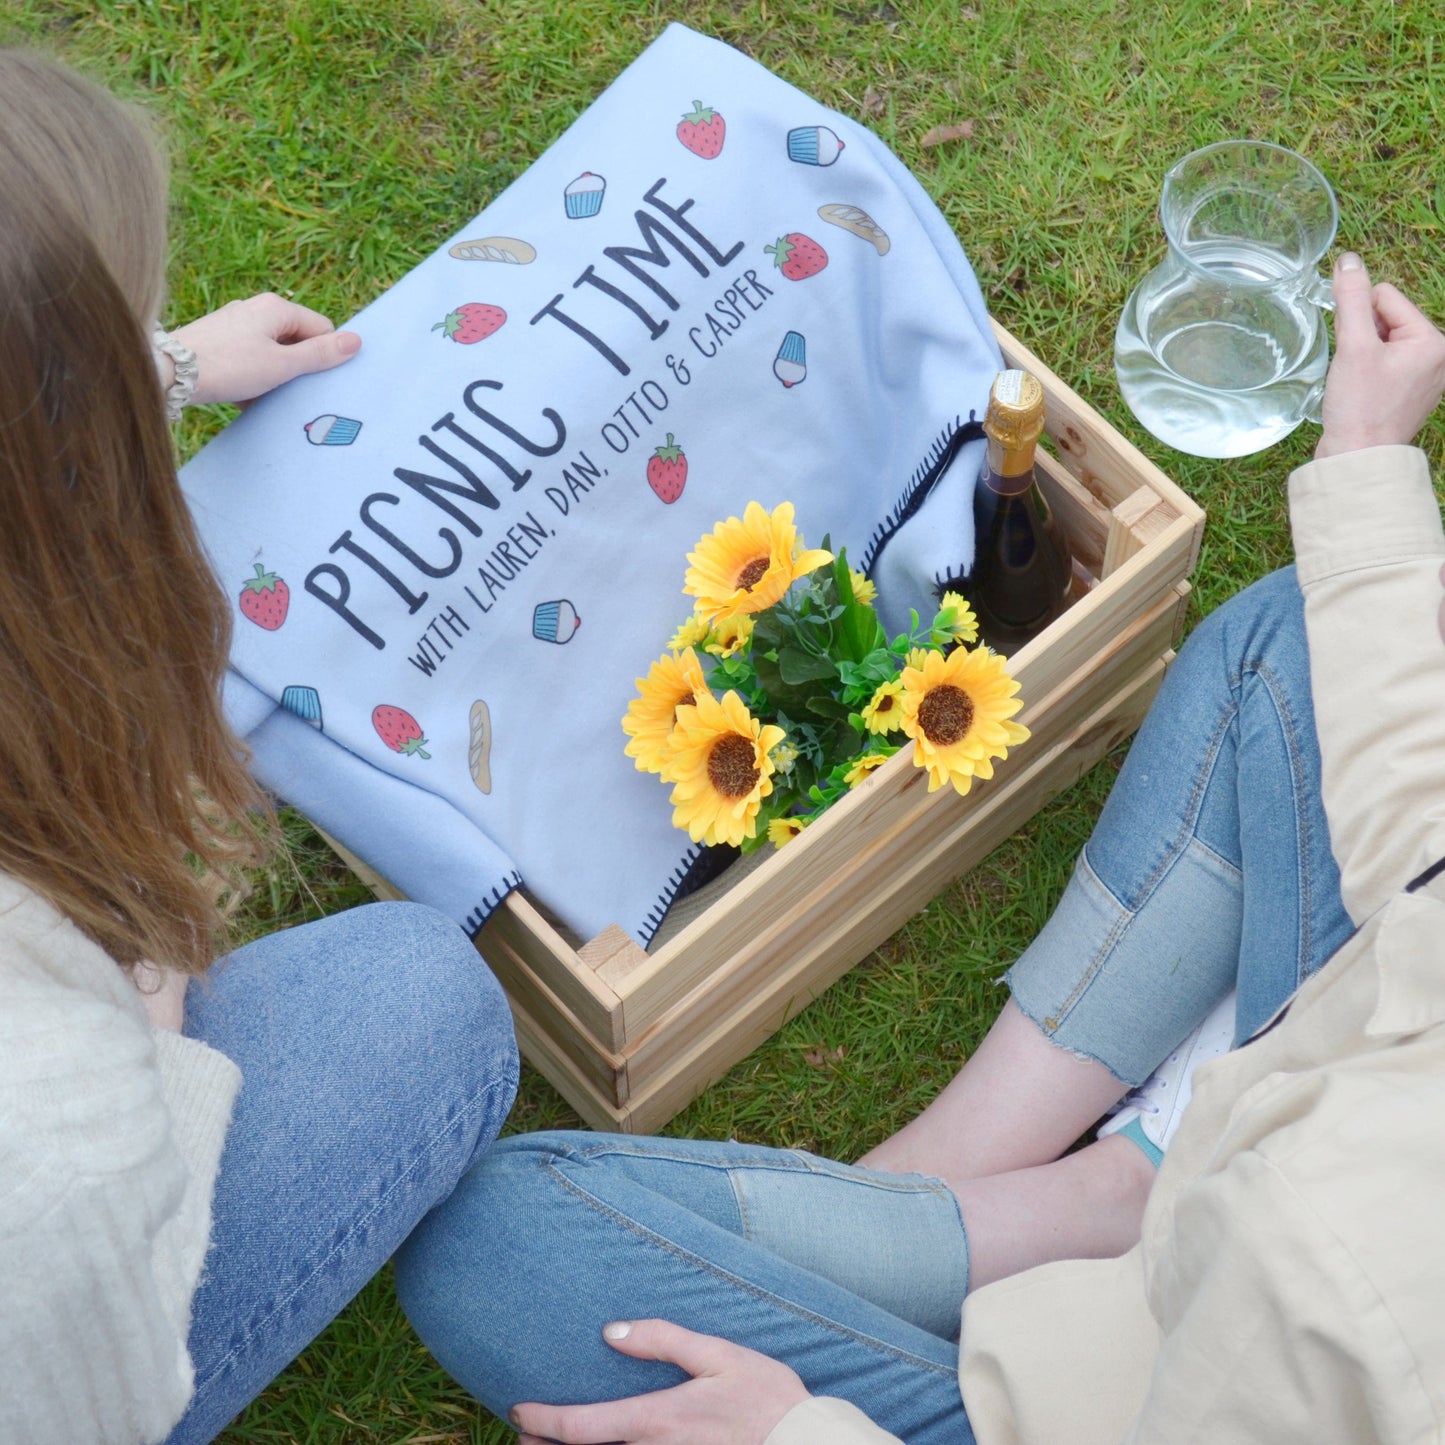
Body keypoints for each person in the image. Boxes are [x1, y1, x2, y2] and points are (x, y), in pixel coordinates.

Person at [391, 248, 1445, 1443]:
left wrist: (806, 1434)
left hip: (1093, 1399)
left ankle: (1069, 1209)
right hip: (1309, 1118)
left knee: (502, 1251)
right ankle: (1064, 1172)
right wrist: (1360, 465)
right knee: (1292, 641)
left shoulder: (1376, 1321)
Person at [0, 49, 519, 1445]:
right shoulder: (53, 1133)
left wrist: (150, 374)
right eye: (137, 329)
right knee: (425, 1000)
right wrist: (152, 1011)